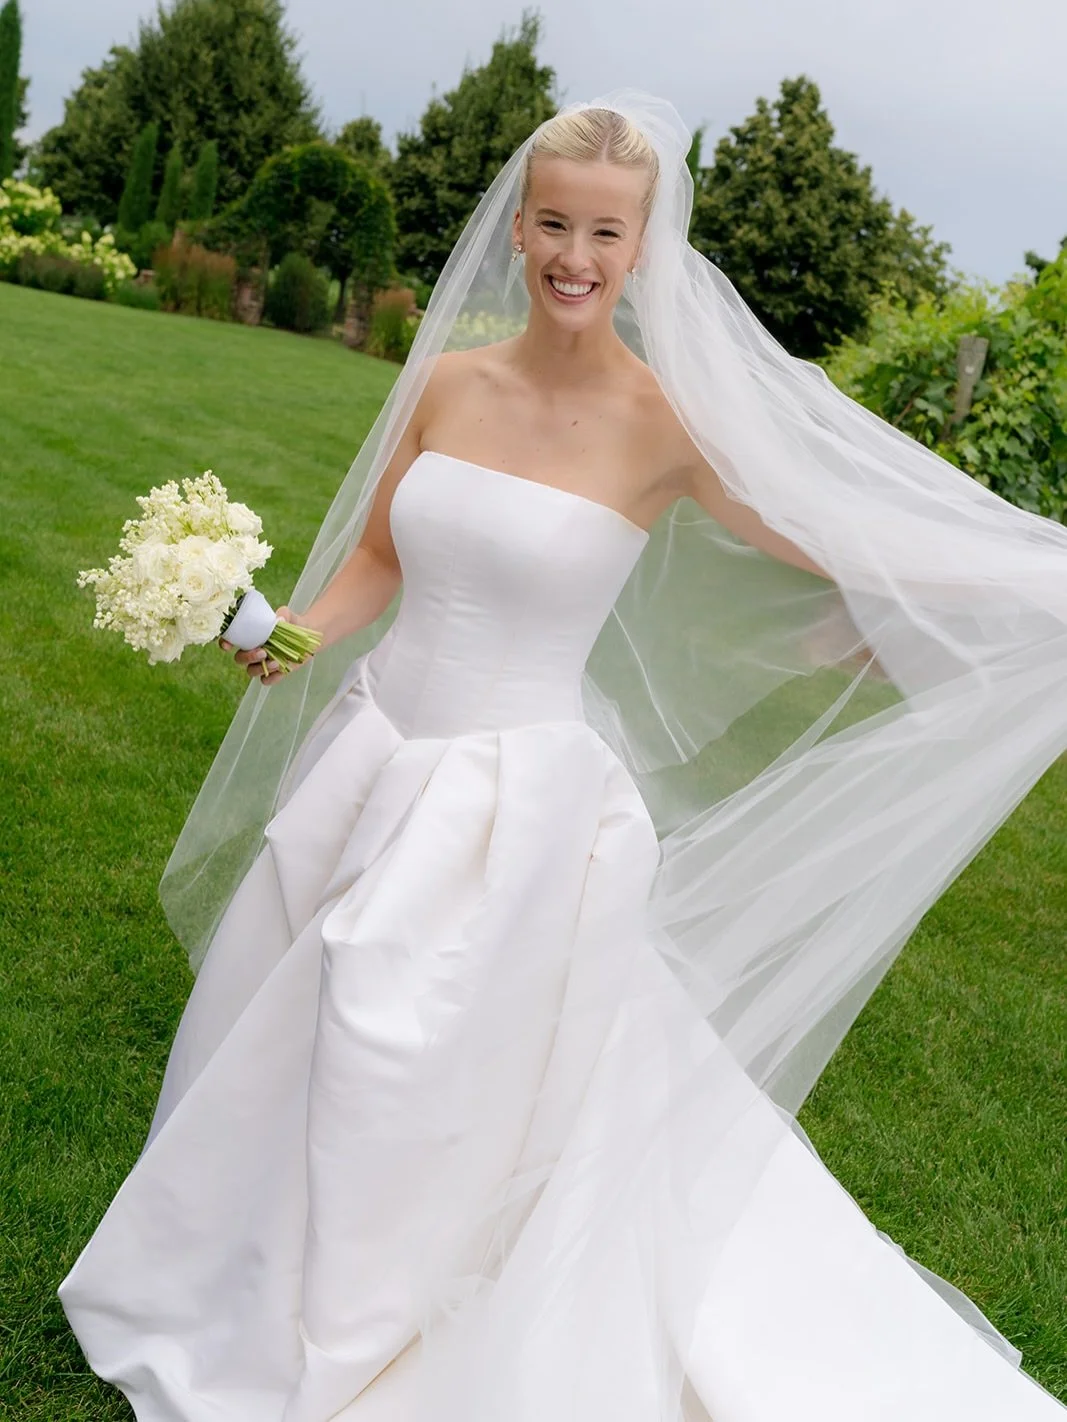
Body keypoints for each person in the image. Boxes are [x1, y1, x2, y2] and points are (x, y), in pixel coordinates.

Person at [59, 96, 1067, 1421]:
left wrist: (1008, 587)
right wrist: (298, 628)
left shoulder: (667, 427)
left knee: (428, 1070)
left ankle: (386, 1299)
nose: (572, 255)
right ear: (517, 225)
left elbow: (829, 539)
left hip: (512, 808)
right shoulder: (448, 380)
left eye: (603, 230)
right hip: (379, 756)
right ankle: (252, 1260)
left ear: (641, 246)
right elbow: (374, 556)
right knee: (304, 1020)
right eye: (551, 222)